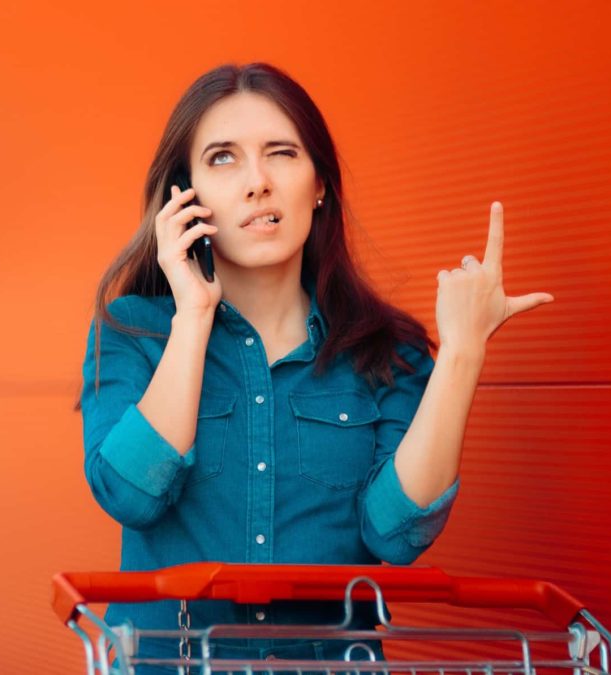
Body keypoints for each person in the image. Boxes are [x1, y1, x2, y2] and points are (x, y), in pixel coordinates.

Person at [73, 62, 553, 674]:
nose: (257, 183)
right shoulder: (132, 330)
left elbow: (396, 533)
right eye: (223, 158)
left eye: (282, 153)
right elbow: (130, 495)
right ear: (184, 194)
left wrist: (461, 353)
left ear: (320, 182)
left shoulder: (389, 350)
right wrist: (193, 313)